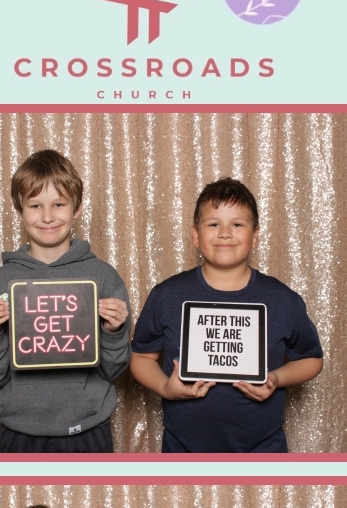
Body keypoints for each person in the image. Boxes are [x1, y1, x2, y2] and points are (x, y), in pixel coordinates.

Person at [129, 177, 323, 453]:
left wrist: (276, 378)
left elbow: (312, 359)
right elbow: (141, 357)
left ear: (255, 236)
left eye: (237, 224)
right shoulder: (167, 295)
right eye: (213, 224)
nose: (225, 233)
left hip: (263, 448)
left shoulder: (282, 299)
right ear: (195, 235)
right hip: (183, 448)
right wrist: (165, 387)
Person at [0, 148, 131, 454]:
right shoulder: (1, 281)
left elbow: (113, 371)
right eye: (35, 206)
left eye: (58, 204)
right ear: (20, 211)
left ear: (76, 209)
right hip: (19, 430)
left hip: (88, 428)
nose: (47, 217)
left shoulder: (103, 277)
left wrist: (114, 332)